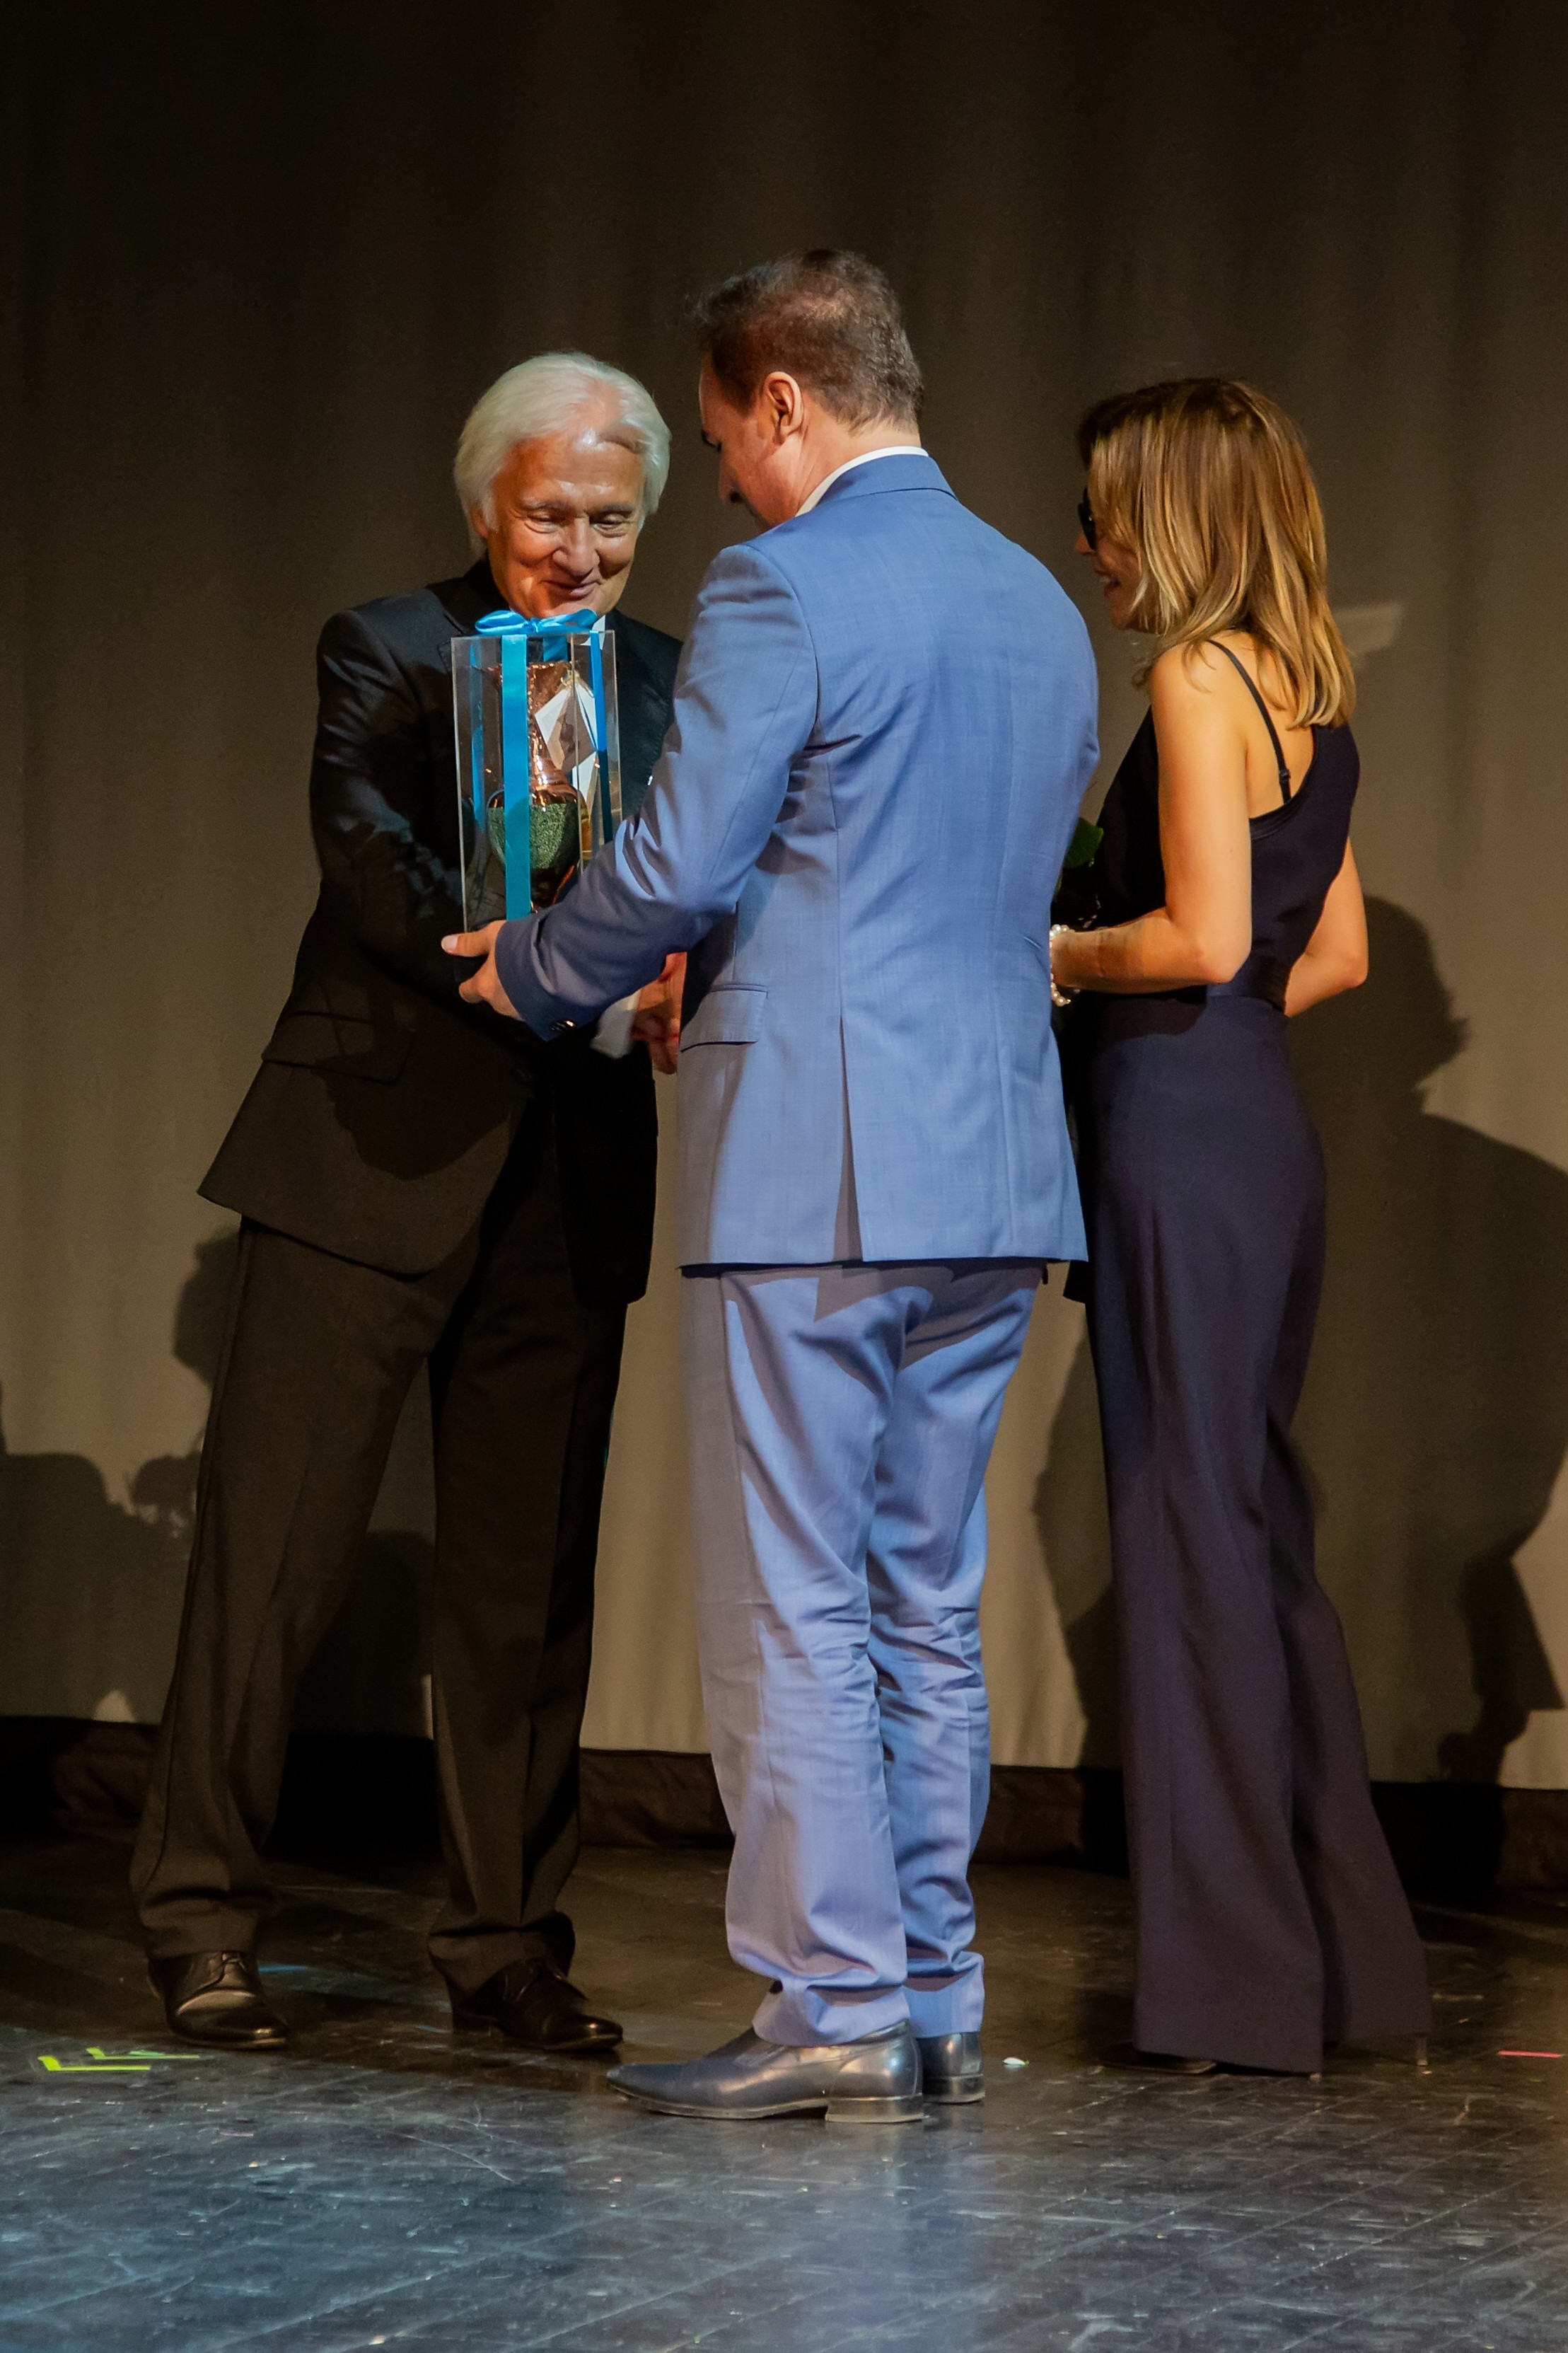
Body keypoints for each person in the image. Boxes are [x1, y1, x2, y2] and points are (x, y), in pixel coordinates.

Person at [448, 250, 1098, 2123]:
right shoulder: (1040, 602)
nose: (723, 483)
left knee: (793, 1597)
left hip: (816, 1168)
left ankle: (828, 1997)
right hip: (991, 1165)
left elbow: (677, 856)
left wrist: (535, 962)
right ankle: (931, 1997)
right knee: (922, 1598)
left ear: (787, 401)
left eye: (725, 436)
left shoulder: (781, 582)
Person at [132, 353, 683, 2052]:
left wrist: (689, 962)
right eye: (549, 513)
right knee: (273, 1565)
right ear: (481, 503)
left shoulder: (671, 680)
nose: (578, 550)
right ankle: (200, 1917)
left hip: (567, 1175)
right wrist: (559, 961)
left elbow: (708, 876)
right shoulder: (384, 647)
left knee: (523, 1593)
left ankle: (505, 1942)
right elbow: (372, 865)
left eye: (610, 519)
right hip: (365, 1157)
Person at [1052, 377, 1431, 2076]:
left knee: (1185, 1534)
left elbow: (1201, 940)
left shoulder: (1196, 678)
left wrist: (1055, 953)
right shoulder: (1309, 690)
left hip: (1175, 1131)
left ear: (1173, 512)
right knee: (1249, 1532)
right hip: (1256, 1132)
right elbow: (1324, 955)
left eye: (1102, 511)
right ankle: (1342, 1970)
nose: (1089, 543)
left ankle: (1228, 1992)